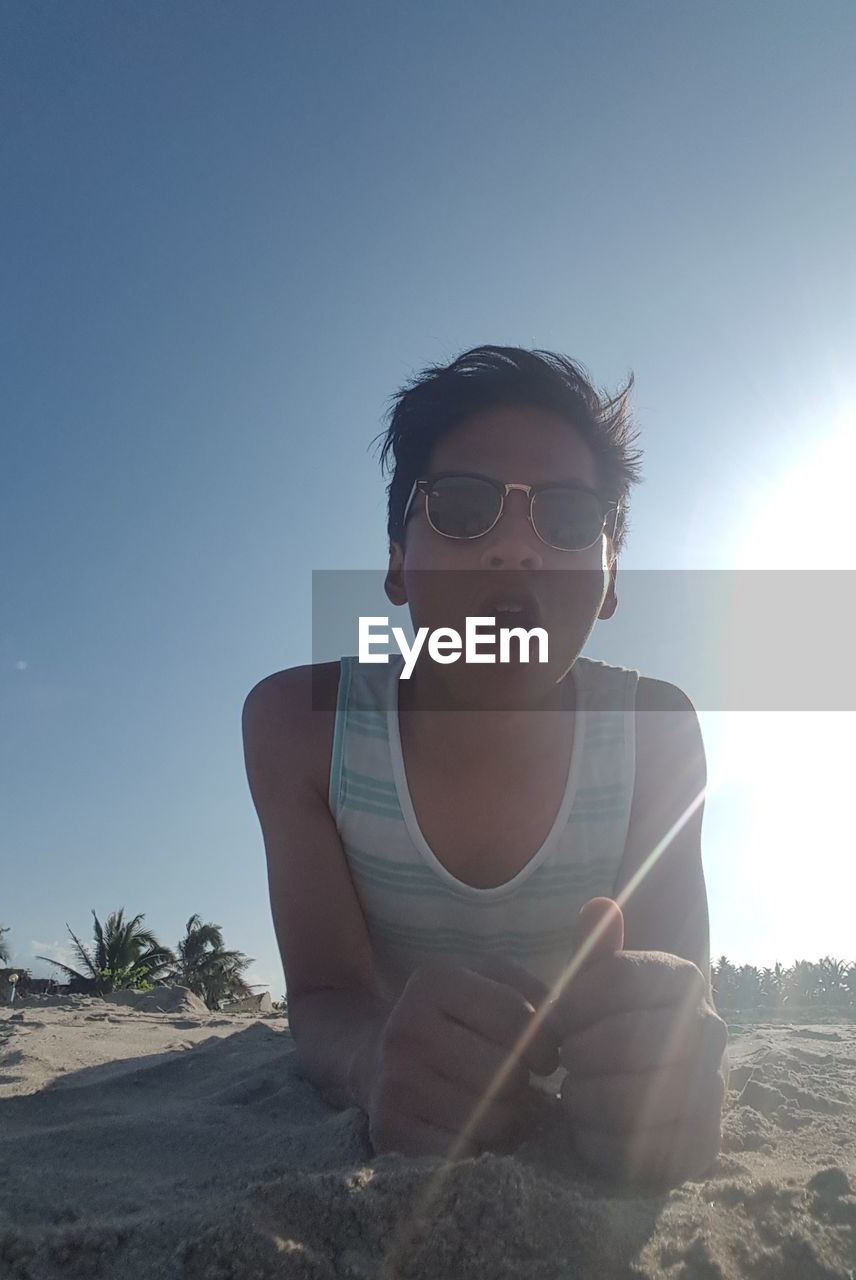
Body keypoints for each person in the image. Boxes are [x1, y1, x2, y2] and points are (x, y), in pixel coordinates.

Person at [242, 345, 728, 1188]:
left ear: (610, 580)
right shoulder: (298, 729)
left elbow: (676, 986)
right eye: (463, 508)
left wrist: (663, 1066)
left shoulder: (658, 734)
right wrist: (372, 1060)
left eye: (569, 518)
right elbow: (323, 997)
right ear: (397, 562)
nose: (516, 550)